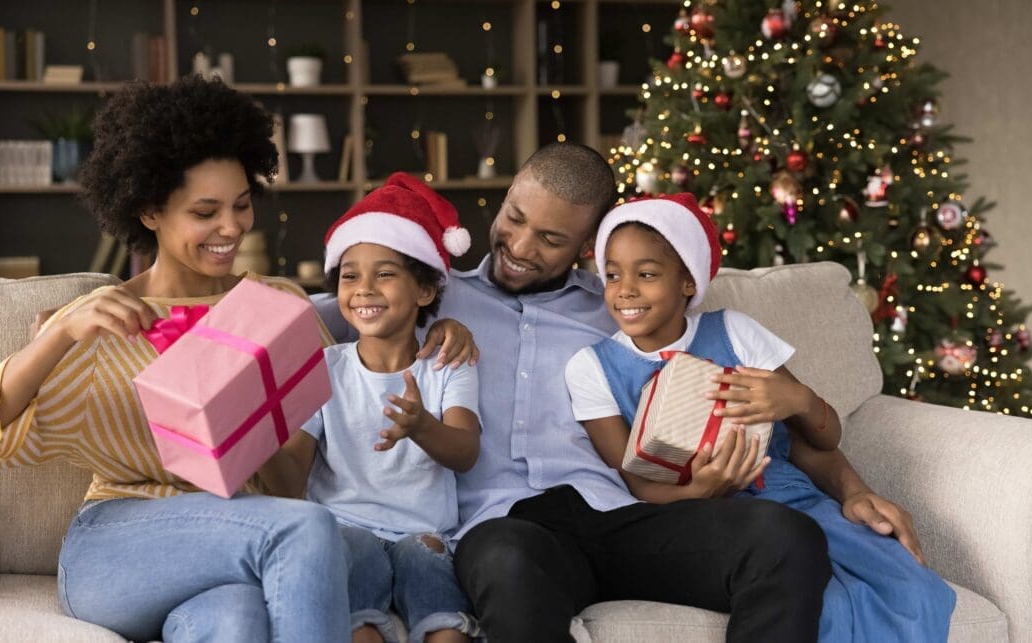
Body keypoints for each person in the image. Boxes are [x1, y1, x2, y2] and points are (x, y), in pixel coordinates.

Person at [314, 143, 929, 642]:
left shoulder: (624, 305)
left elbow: (777, 412)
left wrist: (856, 492)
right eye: (514, 218)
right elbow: (306, 316)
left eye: (551, 240)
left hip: (623, 512)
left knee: (782, 536)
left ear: (588, 248)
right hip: (502, 524)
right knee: (507, 561)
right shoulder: (426, 293)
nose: (522, 247)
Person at [0, 76, 349, 642]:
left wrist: (252, 419)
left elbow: (291, 488)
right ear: (149, 212)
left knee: (237, 620)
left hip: (236, 537)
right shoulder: (101, 323)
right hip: (116, 545)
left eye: (242, 205)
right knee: (306, 531)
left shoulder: (278, 309)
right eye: (205, 211)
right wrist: (58, 336)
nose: (231, 228)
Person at [566, 192, 956, 641]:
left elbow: (822, 439)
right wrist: (703, 489)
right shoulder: (593, 367)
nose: (625, 290)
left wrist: (799, 400)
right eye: (612, 275)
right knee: (819, 603)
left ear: (688, 282)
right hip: (703, 519)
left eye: (647, 274)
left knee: (914, 588)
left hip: (792, 496)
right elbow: (636, 483)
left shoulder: (732, 331)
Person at [260, 173, 482, 643]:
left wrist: (422, 425)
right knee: (353, 582)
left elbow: (465, 452)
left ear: (424, 291)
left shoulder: (447, 365)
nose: (364, 289)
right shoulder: (321, 368)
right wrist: (256, 436)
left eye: (384, 274)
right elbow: (290, 479)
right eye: (349, 276)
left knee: (430, 575)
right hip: (343, 527)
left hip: (424, 531)